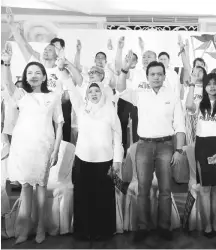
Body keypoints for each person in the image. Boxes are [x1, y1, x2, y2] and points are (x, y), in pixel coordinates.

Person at [117, 57, 185, 241]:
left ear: (165, 76)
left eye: (159, 74)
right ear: (147, 76)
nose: (156, 77)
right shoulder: (140, 93)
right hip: (144, 145)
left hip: (166, 146)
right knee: (143, 189)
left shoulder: (172, 96)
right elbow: (121, 89)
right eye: (152, 74)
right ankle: (142, 228)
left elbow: (180, 126)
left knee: (165, 189)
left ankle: (164, 227)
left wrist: (178, 151)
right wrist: (124, 70)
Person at [2, 45, 63, 245]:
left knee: (41, 189)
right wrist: (7, 63)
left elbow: (59, 124)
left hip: (44, 147)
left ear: (45, 77)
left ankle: (41, 228)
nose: (34, 75)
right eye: (30, 72)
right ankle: (23, 230)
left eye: (38, 72)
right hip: (23, 146)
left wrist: (55, 150)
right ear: (26, 76)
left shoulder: (53, 96)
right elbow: (8, 83)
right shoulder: (21, 94)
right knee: (26, 188)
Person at [60, 63, 124, 240]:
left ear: (102, 92)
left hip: (105, 162)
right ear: (86, 94)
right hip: (83, 161)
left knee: (103, 198)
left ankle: (103, 231)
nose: (94, 94)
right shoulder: (81, 108)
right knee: (83, 197)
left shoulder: (110, 111)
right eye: (90, 92)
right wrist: (62, 70)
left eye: (97, 91)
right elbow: (71, 88)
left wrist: (117, 161)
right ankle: (83, 231)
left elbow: (118, 138)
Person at [5, 10, 78, 143]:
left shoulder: (61, 70)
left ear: (56, 54)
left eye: (50, 50)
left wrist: (60, 99)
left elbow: (69, 92)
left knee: (56, 144)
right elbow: (22, 44)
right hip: (36, 112)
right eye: (45, 49)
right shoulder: (36, 64)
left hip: (54, 112)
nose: (45, 51)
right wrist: (11, 25)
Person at [186, 72, 216, 237]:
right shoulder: (200, 104)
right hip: (203, 147)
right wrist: (192, 84)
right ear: (205, 86)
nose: (212, 86)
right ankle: (207, 223)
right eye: (209, 83)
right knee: (206, 188)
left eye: (215, 83)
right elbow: (188, 106)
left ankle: (215, 222)